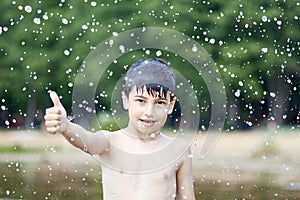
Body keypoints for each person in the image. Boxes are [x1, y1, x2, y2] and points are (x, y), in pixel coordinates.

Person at [44, 58, 196, 200]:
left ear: (170, 105)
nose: (149, 112)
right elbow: (87, 141)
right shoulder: (111, 142)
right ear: (126, 100)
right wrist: (66, 127)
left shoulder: (179, 150)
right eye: (141, 101)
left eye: (159, 103)